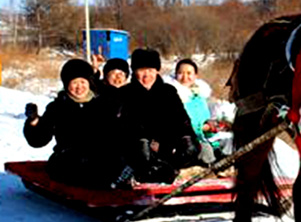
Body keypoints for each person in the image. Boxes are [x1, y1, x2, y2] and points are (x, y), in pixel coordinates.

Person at [23, 58, 128, 188]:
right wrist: (33, 121)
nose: (79, 87)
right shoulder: (58, 107)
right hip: (69, 158)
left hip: (100, 156)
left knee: (115, 159)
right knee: (83, 166)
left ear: (89, 82)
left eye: (83, 82)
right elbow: (39, 140)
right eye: (74, 83)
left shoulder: (104, 103)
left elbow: (119, 130)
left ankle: (121, 179)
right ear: (66, 84)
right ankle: (107, 183)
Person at [118, 48, 200, 183]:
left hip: (168, 149)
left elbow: (181, 120)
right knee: (142, 150)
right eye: (142, 70)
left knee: (192, 147)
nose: (147, 75)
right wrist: (145, 141)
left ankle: (174, 171)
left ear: (157, 71)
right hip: (136, 153)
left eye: (151, 70)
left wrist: (186, 138)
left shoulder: (168, 92)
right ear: (134, 71)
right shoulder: (124, 94)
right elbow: (124, 127)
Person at [163, 58, 219, 165]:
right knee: (206, 150)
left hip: (200, 139)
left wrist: (211, 126)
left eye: (189, 73)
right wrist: (200, 128)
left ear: (195, 75)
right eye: (181, 73)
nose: (185, 77)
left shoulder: (199, 96)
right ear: (175, 75)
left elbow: (205, 118)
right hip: (179, 143)